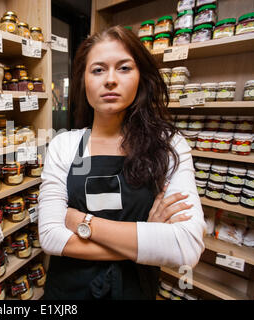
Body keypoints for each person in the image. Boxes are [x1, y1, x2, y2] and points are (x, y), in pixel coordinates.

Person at [38, 26, 206, 300]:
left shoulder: (169, 145)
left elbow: (186, 248)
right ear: (83, 80)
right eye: (98, 70)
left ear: (141, 77)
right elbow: (50, 237)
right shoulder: (64, 145)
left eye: (124, 68)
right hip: (67, 294)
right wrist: (149, 241)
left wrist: (82, 221)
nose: (111, 80)